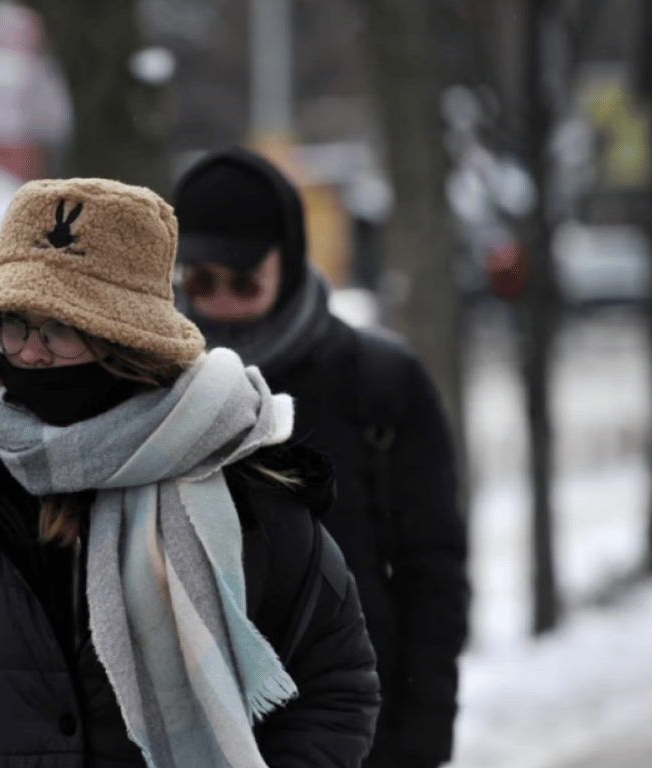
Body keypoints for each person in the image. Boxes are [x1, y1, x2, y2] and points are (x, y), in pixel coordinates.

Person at [0, 178, 380, 768]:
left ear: (127, 344)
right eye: (11, 324)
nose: (28, 353)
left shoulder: (241, 481)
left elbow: (337, 683)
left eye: (59, 328)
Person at [172, 148, 470, 768]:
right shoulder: (153, 391)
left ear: (289, 259)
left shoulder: (377, 383)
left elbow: (432, 575)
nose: (220, 304)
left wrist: (421, 739)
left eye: (244, 281)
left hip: (362, 735)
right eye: (199, 281)